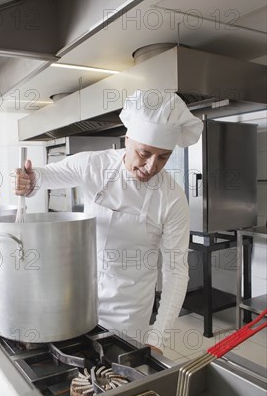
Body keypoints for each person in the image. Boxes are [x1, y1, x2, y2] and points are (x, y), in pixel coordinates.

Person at [14, 90, 203, 352]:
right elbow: (44, 176)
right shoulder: (95, 165)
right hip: (78, 301)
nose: (151, 167)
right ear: (127, 140)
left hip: (128, 315)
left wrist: (157, 337)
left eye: (163, 157)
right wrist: (28, 180)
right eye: (144, 153)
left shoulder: (171, 198)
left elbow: (176, 271)